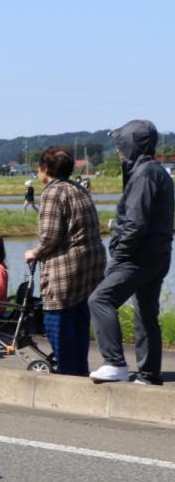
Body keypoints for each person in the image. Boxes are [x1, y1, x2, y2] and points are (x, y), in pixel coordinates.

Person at [89, 120, 174, 384]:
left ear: (133, 144)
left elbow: (136, 223)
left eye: (120, 144)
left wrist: (121, 254)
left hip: (139, 256)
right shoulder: (154, 171)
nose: (117, 150)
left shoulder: (145, 174)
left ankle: (115, 363)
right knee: (146, 312)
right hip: (157, 253)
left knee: (100, 300)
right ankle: (148, 375)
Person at [24, 148, 106, 376]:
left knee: (57, 321)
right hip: (90, 265)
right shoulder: (78, 188)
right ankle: (79, 372)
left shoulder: (52, 192)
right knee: (79, 320)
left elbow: (51, 236)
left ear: (46, 169)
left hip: (65, 268)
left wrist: (34, 253)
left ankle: (68, 376)